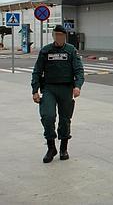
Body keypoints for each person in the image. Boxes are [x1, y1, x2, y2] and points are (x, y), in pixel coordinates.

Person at [31, 25, 84, 163]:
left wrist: (77, 86)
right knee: (47, 116)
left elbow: (79, 70)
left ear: (65, 36)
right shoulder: (46, 50)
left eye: (61, 35)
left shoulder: (71, 50)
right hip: (49, 88)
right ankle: (51, 147)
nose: (59, 38)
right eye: (56, 35)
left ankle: (63, 148)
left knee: (65, 120)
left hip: (66, 89)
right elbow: (37, 71)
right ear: (53, 36)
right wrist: (35, 90)